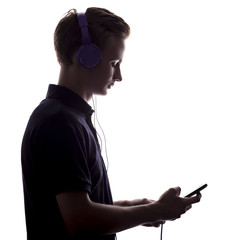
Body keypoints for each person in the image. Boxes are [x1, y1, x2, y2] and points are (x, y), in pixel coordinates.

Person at [21, 7, 201, 240]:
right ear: (85, 56)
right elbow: (80, 220)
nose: (119, 76)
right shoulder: (60, 123)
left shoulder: (67, 118)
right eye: (114, 63)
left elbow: (75, 208)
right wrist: (153, 211)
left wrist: (135, 207)